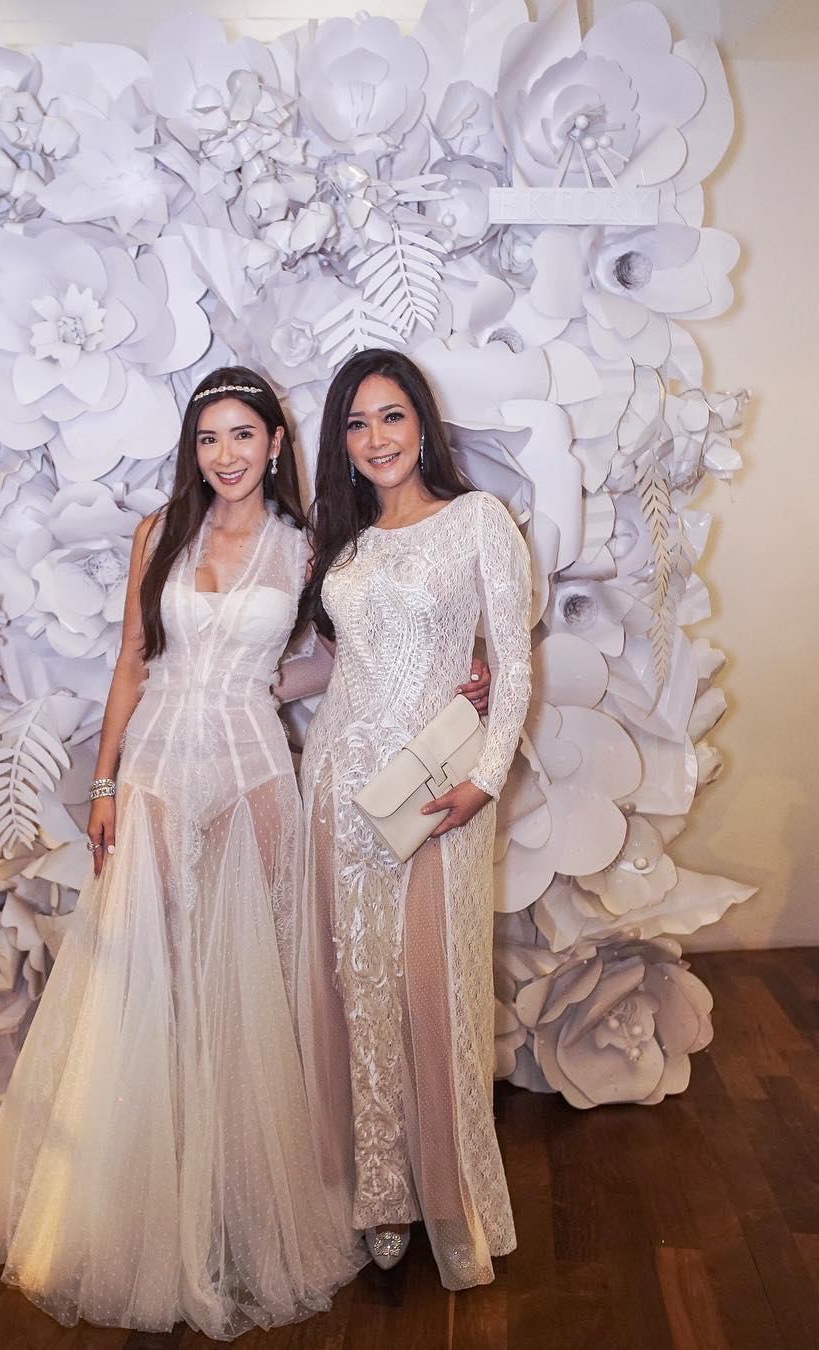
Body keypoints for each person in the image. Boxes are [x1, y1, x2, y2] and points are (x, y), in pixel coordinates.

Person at [0, 368, 367, 1340]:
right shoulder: (161, 534)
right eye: (208, 438)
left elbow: (337, 654)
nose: (225, 455)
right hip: (156, 771)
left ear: (275, 443)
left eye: (242, 435)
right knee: (152, 978)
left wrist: (262, 684)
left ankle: (238, 1211)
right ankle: (133, 1208)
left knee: (247, 984)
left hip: (254, 774)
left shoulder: (308, 549)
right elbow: (132, 662)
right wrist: (102, 784)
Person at [296, 348, 532, 1290]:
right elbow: (334, 669)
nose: (376, 438)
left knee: (435, 991)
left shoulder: (479, 521)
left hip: (437, 794)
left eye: (391, 416)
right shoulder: (345, 543)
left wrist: (485, 778)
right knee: (357, 990)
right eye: (356, 424)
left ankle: (451, 1199)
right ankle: (380, 1196)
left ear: (422, 424)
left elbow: (511, 664)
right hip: (338, 789)